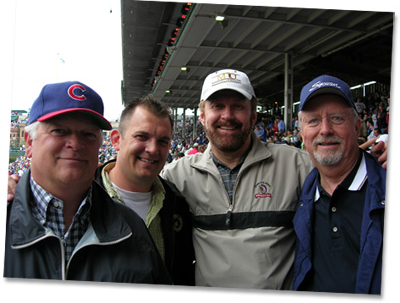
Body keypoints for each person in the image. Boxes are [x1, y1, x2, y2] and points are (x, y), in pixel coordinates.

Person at [4, 81, 172, 284]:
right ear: (29, 143)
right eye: (59, 131)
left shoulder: (132, 228)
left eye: (88, 134)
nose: (75, 143)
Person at [161, 69, 314, 289]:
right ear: (202, 117)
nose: (227, 115)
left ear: (253, 115)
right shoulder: (177, 176)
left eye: (238, 106)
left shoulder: (297, 165)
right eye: (217, 106)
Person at [293, 75, 386, 294]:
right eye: (313, 120)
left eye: (336, 118)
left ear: (356, 126)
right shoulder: (303, 191)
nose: (325, 129)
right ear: (301, 133)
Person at [93, 97, 195, 285]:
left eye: (163, 141)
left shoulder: (177, 205)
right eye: (142, 137)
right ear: (116, 140)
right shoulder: (83, 198)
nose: (153, 149)